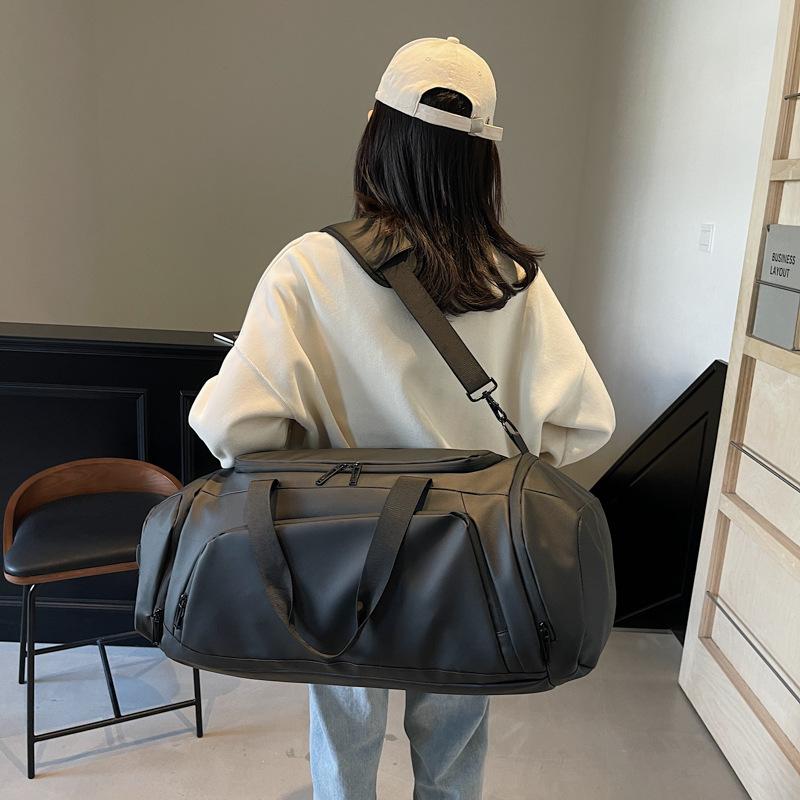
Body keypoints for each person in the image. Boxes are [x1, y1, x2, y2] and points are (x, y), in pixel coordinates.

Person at [189, 35, 615, 800]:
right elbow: (585, 423)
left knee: (343, 732)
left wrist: (315, 447)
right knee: (454, 742)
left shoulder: (311, 268)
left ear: (374, 131)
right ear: (483, 159)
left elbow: (231, 430)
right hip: (470, 552)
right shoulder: (511, 280)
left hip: (338, 548)